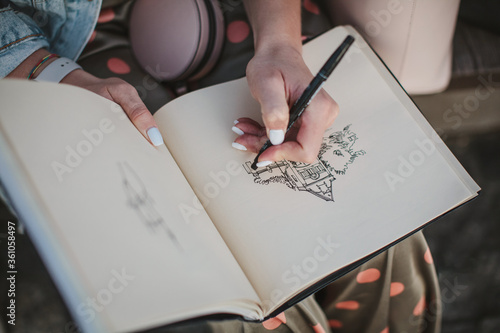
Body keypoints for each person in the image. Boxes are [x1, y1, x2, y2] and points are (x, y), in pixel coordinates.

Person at [1, 0, 460, 331]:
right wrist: (48, 72)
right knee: (243, 308)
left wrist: (280, 44)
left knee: (372, 225)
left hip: (239, 12)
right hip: (47, 46)